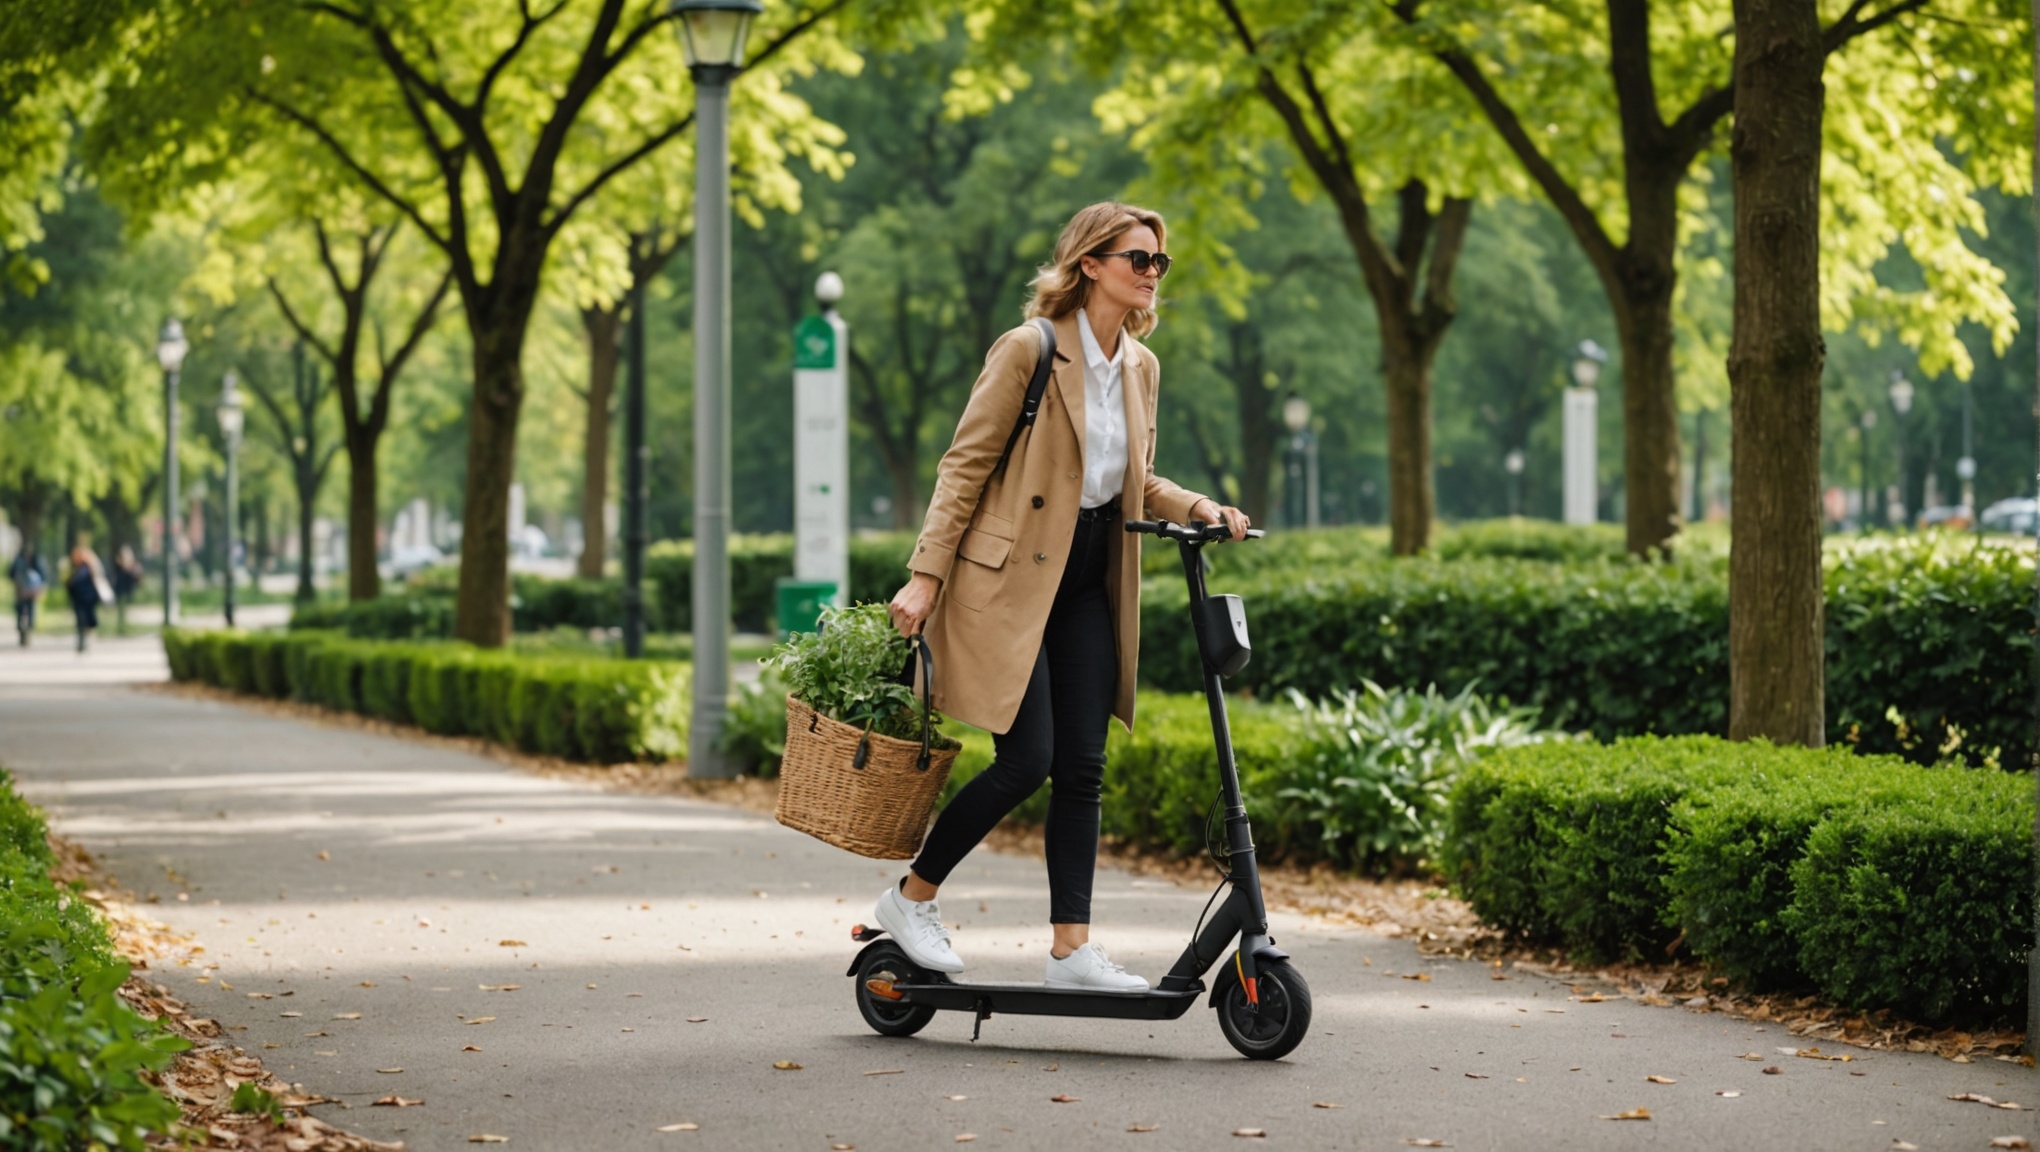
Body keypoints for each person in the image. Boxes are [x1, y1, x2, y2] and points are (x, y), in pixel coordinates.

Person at [878, 202, 1251, 992]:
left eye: (1160, 262)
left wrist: (1200, 508)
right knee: (1028, 759)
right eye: (1138, 259)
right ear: (1090, 264)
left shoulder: (1142, 368)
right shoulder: (1029, 350)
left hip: (1091, 573)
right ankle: (911, 897)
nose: (1153, 273)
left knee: (1083, 766)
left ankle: (1071, 951)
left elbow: (1135, 479)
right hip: (1013, 577)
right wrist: (924, 575)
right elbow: (964, 466)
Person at [65, 538, 110, 653]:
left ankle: (86, 639)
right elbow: (69, 583)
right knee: (80, 620)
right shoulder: (73, 568)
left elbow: (97, 580)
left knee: (89, 620)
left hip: (89, 598)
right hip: (78, 599)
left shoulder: (90, 567)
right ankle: (81, 641)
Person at [8, 543, 47, 647]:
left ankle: (28, 631)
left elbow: (43, 575)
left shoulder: (36, 560)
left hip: (31, 592)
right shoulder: (18, 560)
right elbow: (11, 573)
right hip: (20, 591)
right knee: (20, 611)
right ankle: (21, 631)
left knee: (30, 611)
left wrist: (39, 588)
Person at [111, 544, 143, 635]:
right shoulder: (119, 565)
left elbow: (135, 577)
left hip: (127, 589)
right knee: (121, 609)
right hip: (121, 589)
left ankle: (125, 627)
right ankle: (121, 627)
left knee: (127, 609)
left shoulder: (131, 566)